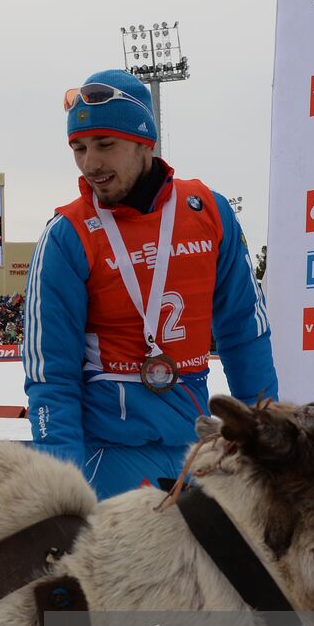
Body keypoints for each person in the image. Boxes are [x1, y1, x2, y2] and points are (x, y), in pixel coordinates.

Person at [23, 69, 278, 498]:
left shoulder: (208, 212)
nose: (90, 164)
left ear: (144, 141)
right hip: (106, 459)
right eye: (79, 148)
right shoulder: (68, 234)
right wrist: (62, 486)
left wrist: (264, 435)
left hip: (195, 455)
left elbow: (244, 332)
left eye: (105, 144)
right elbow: (51, 374)